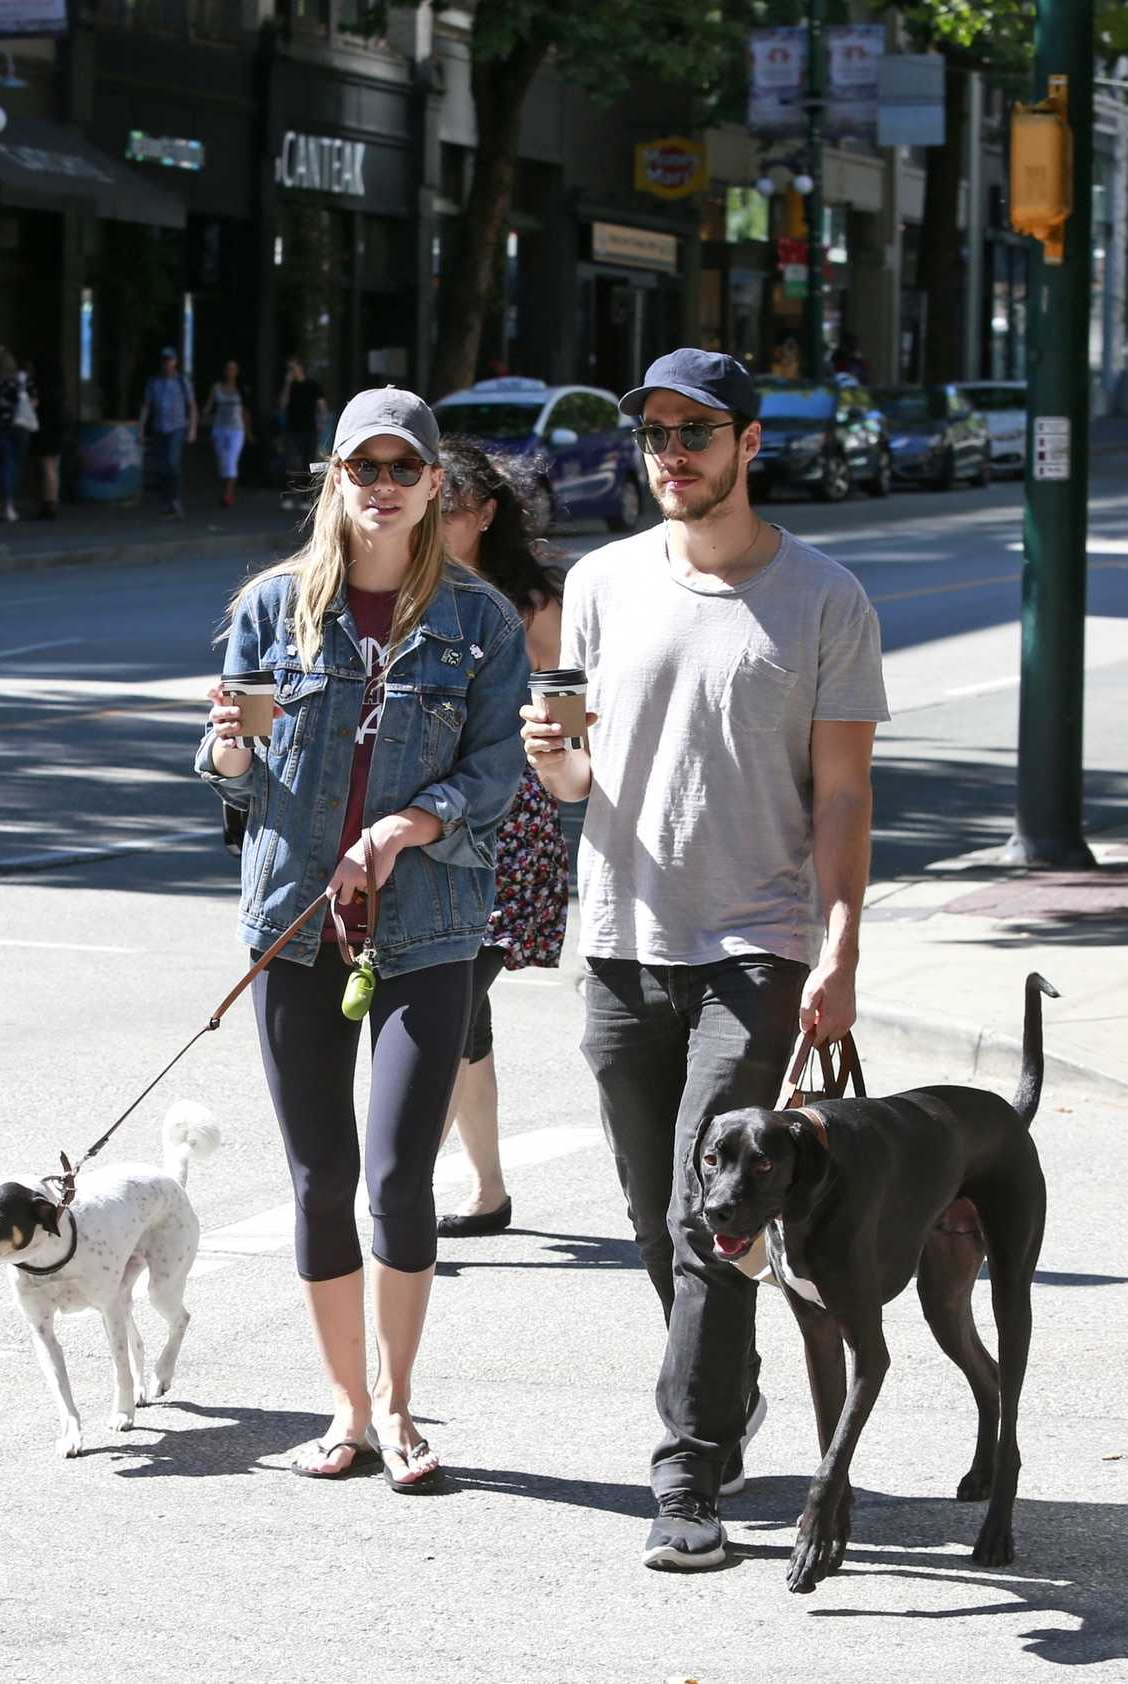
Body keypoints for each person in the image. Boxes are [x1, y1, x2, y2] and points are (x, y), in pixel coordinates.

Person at [521, 348, 888, 1571]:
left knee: (708, 1212)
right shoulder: (604, 582)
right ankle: (724, 1394)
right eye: (653, 435)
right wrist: (552, 763)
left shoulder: (825, 597)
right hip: (623, 939)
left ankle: (686, 1475)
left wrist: (838, 941)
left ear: (747, 443)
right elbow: (580, 774)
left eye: (693, 431)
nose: (668, 453)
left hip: (758, 942)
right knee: (653, 1213)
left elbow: (842, 795)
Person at [196, 387, 528, 1487]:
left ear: (436, 484)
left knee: (397, 1173)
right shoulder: (273, 609)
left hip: (428, 923)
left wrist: (405, 823)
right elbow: (233, 784)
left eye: (402, 467)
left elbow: (495, 771)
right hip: (293, 922)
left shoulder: (477, 623)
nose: (381, 485)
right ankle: (344, 1409)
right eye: (362, 466)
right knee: (319, 1173)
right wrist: (230, 751)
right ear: (333, 478)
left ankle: (399, 1405)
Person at [434, 439, 569, 1236]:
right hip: (428, 823)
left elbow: (564, 703)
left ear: (485, 515)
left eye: (448, 511)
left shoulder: (531, 599)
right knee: (459, 1018)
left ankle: (400, 1192)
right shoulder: (410, 584)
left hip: (508, 829)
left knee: (446, 1008)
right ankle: (487, 1192)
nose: (432, 524)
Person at [138, 346, 197, 519]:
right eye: (164, 360)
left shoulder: (182, 381)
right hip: (159, 427)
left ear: (175, 361)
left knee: (172, 462)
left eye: (170, 360)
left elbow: (192, 405)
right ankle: (166, 501)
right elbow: (146, 406)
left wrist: (192, 428)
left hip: (176, 427)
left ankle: (175, 499)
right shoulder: (154, 382)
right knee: (162, 466)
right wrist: (141, 429)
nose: (167, 364)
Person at [0, 347, 38, 522]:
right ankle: (12, 502)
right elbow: (34, 400)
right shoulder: (22, 379)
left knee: (5, 463)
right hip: (21, 424)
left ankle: (7, 503)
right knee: (16, 464)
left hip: (1, 426)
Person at [202, 359, 250, 508]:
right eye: (228, 368)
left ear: (237, 372)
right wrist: (201, 416)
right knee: (223, 462)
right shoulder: (216, 388)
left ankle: (228, 494)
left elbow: (245, 411)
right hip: (220, 428)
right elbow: (209, 406)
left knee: (231, 461)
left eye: (233, 369)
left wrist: (249, 431)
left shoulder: (241, 389)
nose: (230, 372)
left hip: (237, 430)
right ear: (225, 371)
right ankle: (225, 489)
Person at [279, 356, 324, 506]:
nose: (291, 372)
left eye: (293, 368)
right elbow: (283, 404)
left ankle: (306, 497)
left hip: (309, 429)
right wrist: (287, 383)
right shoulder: (289, 386)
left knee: (308, 463)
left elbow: (321, 405)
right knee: (292, 463)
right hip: (292, 430)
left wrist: (322, 421)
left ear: (300, 367)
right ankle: (289, 496)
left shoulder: (312, 385)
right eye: (288, 369)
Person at [30, 358, 66, 519]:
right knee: (51, 465)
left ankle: (48, 502)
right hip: (55, 429)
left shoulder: (42, 392)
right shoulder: (58, 393)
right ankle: (51, 501)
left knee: (47, 464)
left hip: (44, 429)